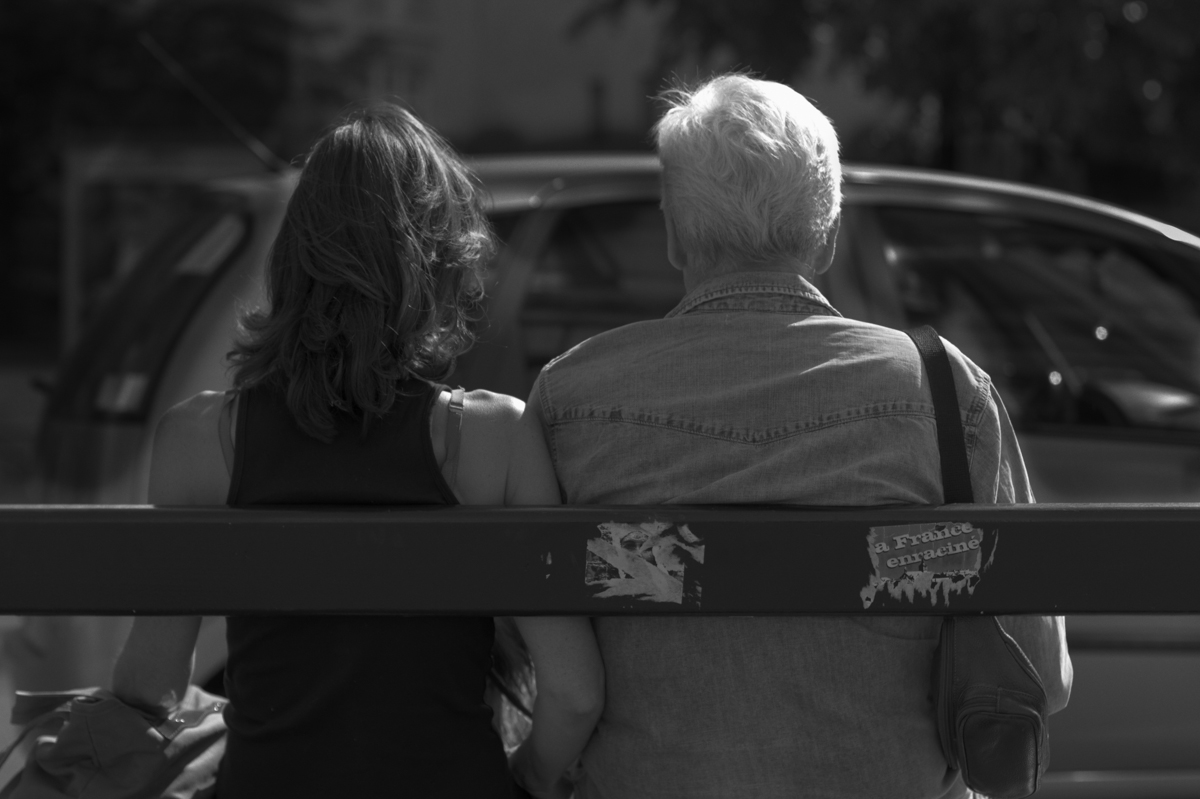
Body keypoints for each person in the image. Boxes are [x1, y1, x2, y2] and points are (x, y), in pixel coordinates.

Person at [528, 74, 1072, 799]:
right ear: (830, 236)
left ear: (671, 232)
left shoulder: (572, 396)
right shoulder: (946, 393)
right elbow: (1043, 672)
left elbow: (540, 666)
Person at [111, 105, 602, 799]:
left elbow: (149, 683)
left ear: (293, 258)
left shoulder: (200, 440)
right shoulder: (491, 437)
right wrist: (528, 779)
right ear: (438, 263)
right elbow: (575, 695)